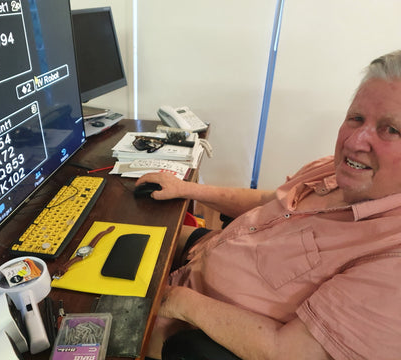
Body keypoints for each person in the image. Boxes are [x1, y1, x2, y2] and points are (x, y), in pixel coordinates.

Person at [136, 50, 401, 360]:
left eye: (391, 130)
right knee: (121, 227)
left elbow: (288, 350)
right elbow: (272, 202)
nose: (355, 141)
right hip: (202, 256)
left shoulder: (391, 262)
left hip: (184, 322)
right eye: (356, 118)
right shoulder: (334, 169)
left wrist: (175, 300)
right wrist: (187, 188)